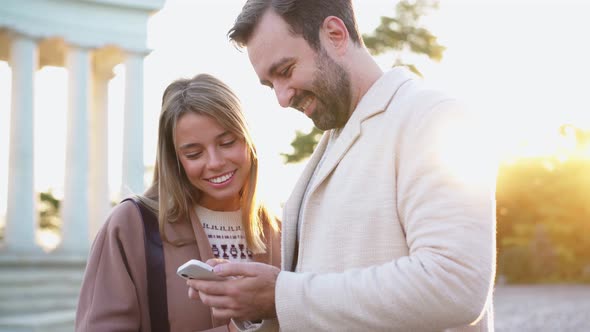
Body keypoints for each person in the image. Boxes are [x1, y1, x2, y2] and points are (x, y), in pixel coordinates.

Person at [187, 1, 497, 331]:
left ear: (335, 34)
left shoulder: (436, 118)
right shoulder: (333, 142)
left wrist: (280, 293)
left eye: (286, 70)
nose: (281, 97)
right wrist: (252, 299)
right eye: (270, 84)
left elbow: (455, 284)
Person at [75, 73, 280, 332]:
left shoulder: (284, 231)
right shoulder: (132, 225)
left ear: (249, 140)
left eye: (227, 142)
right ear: (175, 160)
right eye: (194, 153)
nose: (215, 162)